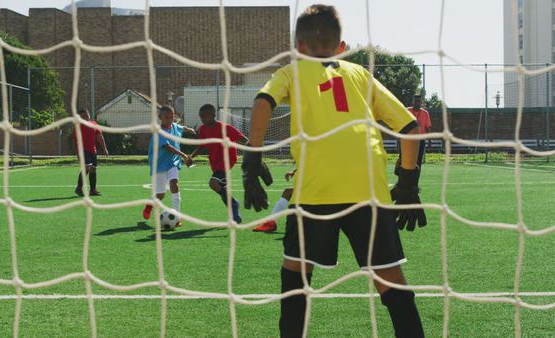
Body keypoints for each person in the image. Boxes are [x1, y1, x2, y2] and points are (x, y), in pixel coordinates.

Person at [242, 5, 427, 337]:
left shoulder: (290, 73)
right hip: (368, 188)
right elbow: (411, 128)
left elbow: (261, 102)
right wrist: (408, 182)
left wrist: (253, 158)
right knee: (392, 281)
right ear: (342, 48)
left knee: (295, 276)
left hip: (316, 187)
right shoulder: (359, 74)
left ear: (297, 47)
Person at [188, 103, 247, 224]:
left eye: (205, 116)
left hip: (227, 159)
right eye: (201, 117)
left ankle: (234, 204)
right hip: (214, 161)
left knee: (213, 183)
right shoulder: (203, 129)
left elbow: (243, 139)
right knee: (222, 189)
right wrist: (191, 157)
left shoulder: (224, 127)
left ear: (213, 115)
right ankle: (235, 215)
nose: (202, 119)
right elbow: (201, 146)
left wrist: (253, 151)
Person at [142, 105, 196, 224]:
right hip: (159, 165)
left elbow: (181, 127)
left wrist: (189, 129)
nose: (169, 120)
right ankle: (149, 205)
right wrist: (184, 156)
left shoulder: (174, 126)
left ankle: (177, 217)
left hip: (173, 163)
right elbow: (168, 147)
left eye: (171, 117)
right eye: (166, 117)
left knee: (174, 185)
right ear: (160, 117)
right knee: (160, 195)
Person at [73, 109, 108, 197]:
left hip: (93, 151)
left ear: (89, 115)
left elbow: (99, 137)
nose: (85, 117)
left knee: (93, 169)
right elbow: (76, 141)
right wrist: (78, 153)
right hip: (83, 150)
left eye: (86, 115)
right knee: (87, 168)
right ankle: (79, 188)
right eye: (83, 116)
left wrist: (104, 149)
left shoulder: (94, 124)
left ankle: (93, 190)